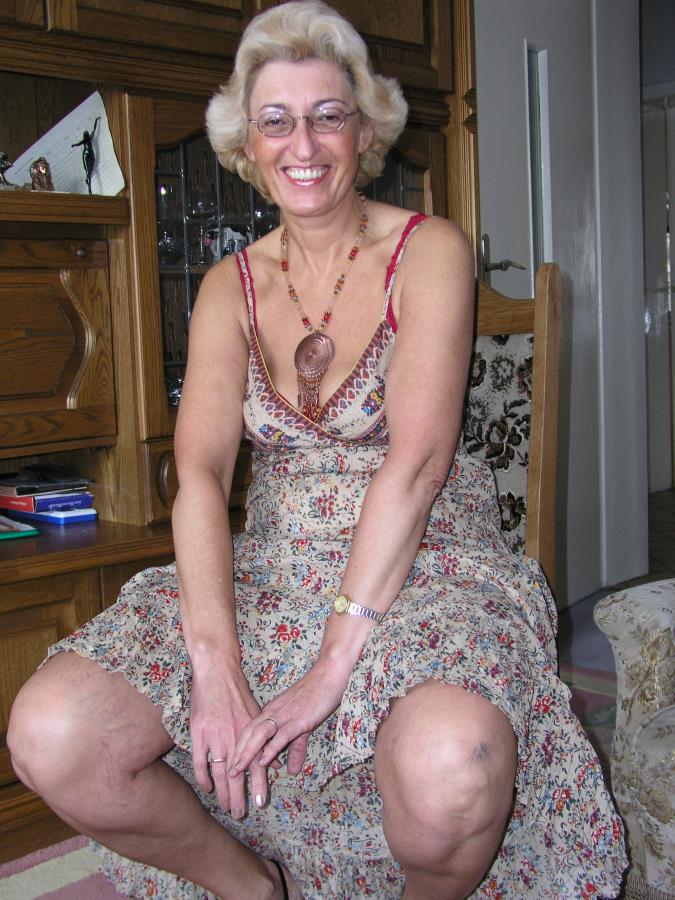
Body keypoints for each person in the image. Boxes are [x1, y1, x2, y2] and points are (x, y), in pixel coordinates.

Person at [8, 2, 627, 898]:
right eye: (276, 120)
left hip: (425, 568)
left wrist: (331, 665)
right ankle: (254, 886)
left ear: (364, 130)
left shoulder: (430, 251)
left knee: (452, 771)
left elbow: (416, 464)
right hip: (271, 567)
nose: (303, 143)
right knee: (53, 735)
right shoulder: (227, 288)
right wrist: (215, 662)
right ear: (247, 144)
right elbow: (200, 474)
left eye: (328, 114)